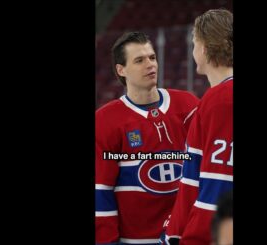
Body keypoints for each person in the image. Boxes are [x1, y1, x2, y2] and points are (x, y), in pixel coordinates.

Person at [95, 31, 199, 245]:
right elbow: (101, 189)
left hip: (185, 236)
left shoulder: (188, 105)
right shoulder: (105, 120)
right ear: (121, 69)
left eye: (152, 57)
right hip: (135, 240)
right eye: (139, 60)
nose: (150, 64)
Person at [164, 9, 233, 245]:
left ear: (203, 49)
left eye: (195, 43)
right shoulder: (214, 99)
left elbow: (214, 188)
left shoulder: (220, 100)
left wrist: (185, 237)